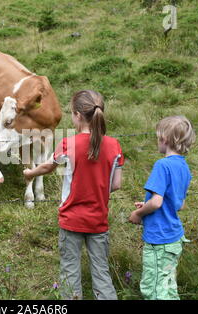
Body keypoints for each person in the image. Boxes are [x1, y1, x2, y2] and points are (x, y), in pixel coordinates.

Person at [23, 90, 124, 300]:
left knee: (70, 271)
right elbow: (116, 184)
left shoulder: (68, 143)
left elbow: (48, 167)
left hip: (71, 219)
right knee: (101, 272)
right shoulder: (114, 146)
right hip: (98, 220)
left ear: (77, 115)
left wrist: (30, 172)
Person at [128, 115, 196, 300]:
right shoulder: (184, 167)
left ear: (164, 140)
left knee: (154, 289)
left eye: (158, 138)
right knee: (167, 286)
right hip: (173, 238)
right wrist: (148, 203)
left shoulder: (162, 165)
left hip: (160, 239)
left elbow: (157, 203)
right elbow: (178, 204)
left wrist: (139, 213)